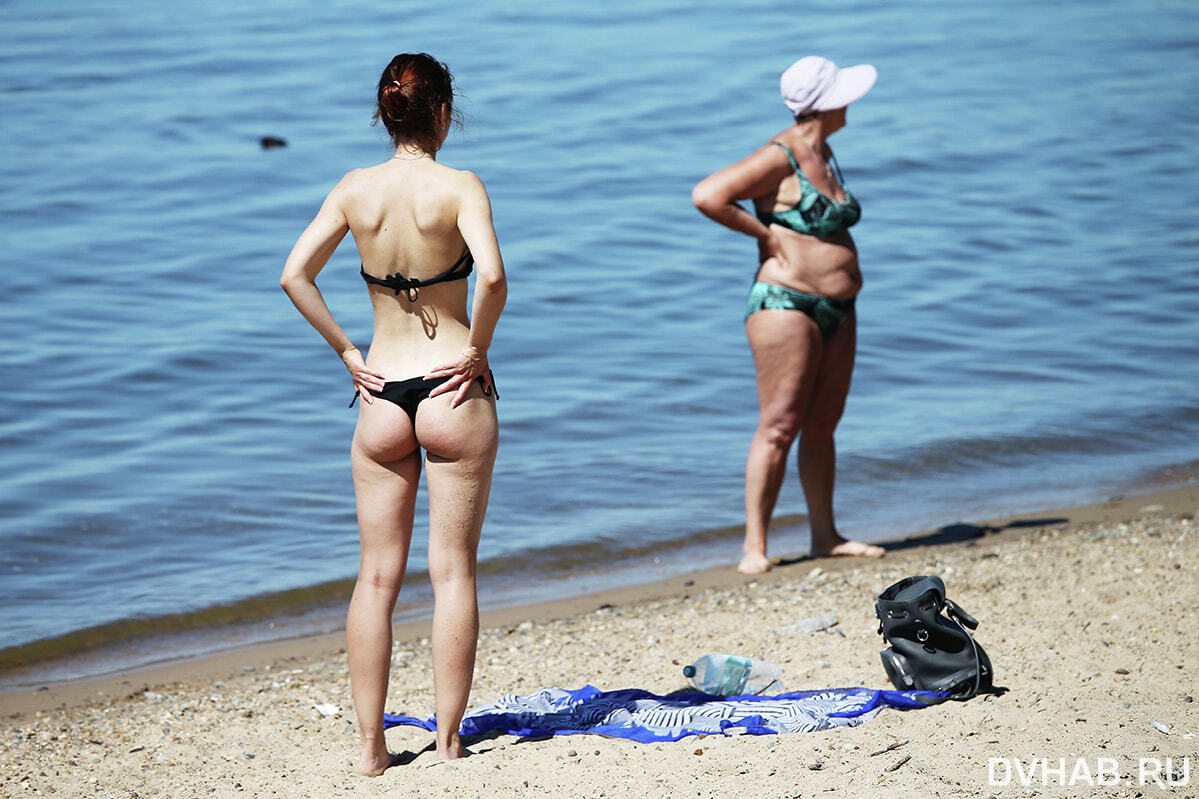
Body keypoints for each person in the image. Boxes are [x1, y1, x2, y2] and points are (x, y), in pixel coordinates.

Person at [280, 53, 506, 772]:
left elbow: (294, 274)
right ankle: (445, 740)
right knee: (452, 572)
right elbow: (494, 276)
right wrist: (477, 349)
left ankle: (373, 748)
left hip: (380, 393)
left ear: (385, 114)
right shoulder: (459, 185)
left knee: (376, 577)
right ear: (443, 112)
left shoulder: (354, 189)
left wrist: (347, 351)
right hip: (450, 393)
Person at [692, 56, 885, 574]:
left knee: (823, 424)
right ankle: (753, 546)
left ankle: (826, 535)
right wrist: (767, 234)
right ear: (827, 103)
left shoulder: (824, 150)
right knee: (778, 426)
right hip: (786, 304)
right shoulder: (782, 154)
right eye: (843, 93)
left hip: (839, 306)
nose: (851, 101)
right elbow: (709, 195)